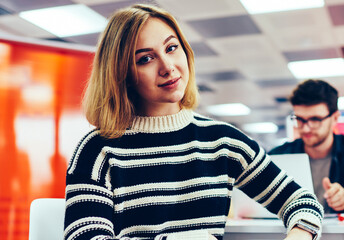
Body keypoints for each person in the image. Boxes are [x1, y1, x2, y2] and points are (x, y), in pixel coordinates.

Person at [64, 4, 323, 240]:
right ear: (122, 74)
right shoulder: (97, 150)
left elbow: (302, 202)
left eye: (171, 47)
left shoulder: (224, 141)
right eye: (145, 58)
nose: (167, 66)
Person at [269, 79, 344, 214]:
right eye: (300, 119)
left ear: (335, 118)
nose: (306, 128)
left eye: (315, 119)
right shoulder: (277, 157)